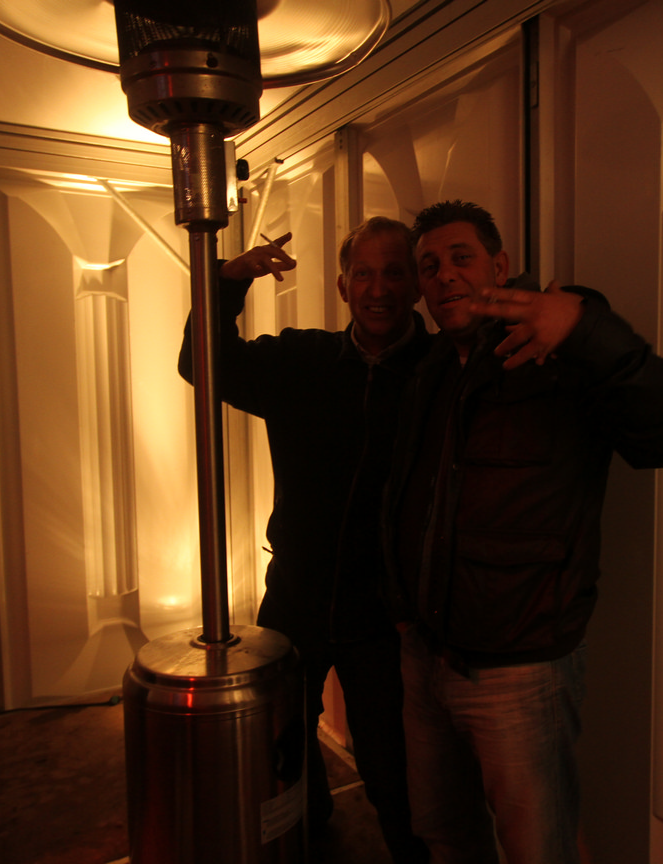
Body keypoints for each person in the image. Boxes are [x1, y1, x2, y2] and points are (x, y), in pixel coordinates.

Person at [384, 200, 663, 864]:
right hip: (425, 656)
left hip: (520, 669)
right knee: (444, 834)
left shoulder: (557, 351)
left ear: (500, 266)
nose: (444, 275)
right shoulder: (431, 369)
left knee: (537, 852)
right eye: (429, 266)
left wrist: (585, 330)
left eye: (461, 258)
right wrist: (404, 612)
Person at [178, 217, 431, 863]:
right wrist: (227, 282)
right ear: (343, 286)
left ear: (415, 286)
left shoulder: (439, 376)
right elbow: (200, 363)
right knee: (281, 756)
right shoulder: (302, 361)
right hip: (294, 600)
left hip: (387, 619)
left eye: (394, 272)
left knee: (394, 775)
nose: (378, 289)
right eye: (364, 274)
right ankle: (311, 835)